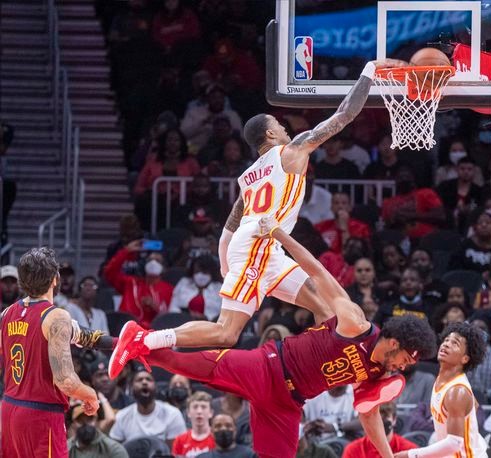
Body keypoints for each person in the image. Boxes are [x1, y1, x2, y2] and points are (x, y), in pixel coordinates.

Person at [108, 58, 408, 369]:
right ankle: (144, 339)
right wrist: (369, 73)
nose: (283, 126)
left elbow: (232, 221)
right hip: (258, 247)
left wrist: (225, 259)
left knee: (327, 307)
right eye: (277, 124)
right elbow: (344, 115)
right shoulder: (292, 151)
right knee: (227, 333)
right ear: (269, 135)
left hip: (263, 247)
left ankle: (321, 367)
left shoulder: (248, 174)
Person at [109, 215, 437, 458]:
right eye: (409, 357)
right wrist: (280, 233)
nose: (408, 365)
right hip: (268, 367)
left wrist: (388, 456)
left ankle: (140, 344)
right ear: (395, 343)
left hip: (287, 404)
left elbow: (369, 416)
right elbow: (318, 272)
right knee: (187, 366)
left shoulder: (378, 373)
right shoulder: (355, 323)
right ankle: (141, 338)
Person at [1, 247, 99, 458]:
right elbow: (65, 381)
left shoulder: (7, 313)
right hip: (41, 415)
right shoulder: (56, 316)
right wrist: (90, 395)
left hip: (9, 409)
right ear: (55, 279)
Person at [394, 322, 488, 458]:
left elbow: (454, 443)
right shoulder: (442, 379)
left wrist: (410, 454)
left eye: (455, 343)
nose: (446, 344)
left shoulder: (456, 392)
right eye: (446, 340)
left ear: (465, 358)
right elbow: (474, 405)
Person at [109, 369, 186, 448]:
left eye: (148, 379)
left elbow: (176, 451)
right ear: (132, 387)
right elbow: (115, 450)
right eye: (139, 380)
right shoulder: (122, 416)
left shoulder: (172, 414)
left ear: (156, 386)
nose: (144, 382)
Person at [104, 241, 174, 328]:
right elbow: (109, 273)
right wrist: (126, 251)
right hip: (126, 330)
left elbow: (169, 317)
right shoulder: (131, 283)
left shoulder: (169, 289)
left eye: (157, 260)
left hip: (153, 334)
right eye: (150, 260)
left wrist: (154, 306)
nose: (153, 263)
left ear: (164, 267)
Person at [343, 402, 417, 458]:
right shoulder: (353, 450)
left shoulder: (409, 450)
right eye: (373, 419)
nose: (379, 423)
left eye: (384, 416)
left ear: (394, 419)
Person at [169, 255, 222, 320]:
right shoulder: (184, 283)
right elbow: (173, 307)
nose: (200, 275)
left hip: (210, 325)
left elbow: (222, 313)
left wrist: (206, 317)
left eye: (204, 272)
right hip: (182, 322)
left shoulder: (219, 288)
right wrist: (184, 315)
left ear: (211, 273)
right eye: (197, 271)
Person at [172, 391, 215, 458]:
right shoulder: (180, 440)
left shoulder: (216, 438)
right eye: (195, 407)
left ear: (211, 413)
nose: (199, 411)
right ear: (188, 412)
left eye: (203, 407)